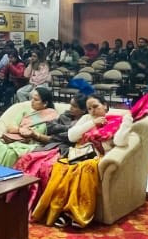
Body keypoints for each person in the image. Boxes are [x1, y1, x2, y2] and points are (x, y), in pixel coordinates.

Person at [32, 96, 133, 228]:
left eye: (95, 106)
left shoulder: (115, 120)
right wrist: (93, 123)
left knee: (84, 169)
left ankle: (76, 213)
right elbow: (71, 136)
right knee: (61, 168)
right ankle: (60, 211)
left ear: (105, 105)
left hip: (96, 157)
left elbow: (120, 142)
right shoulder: (86, 119)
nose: (92, 111)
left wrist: (127, 121)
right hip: (78, 153)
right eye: (89, 108)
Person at [0, 87, 58, 168]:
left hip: (34, 144)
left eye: (36, 100)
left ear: (45, 103)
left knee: (10, 153)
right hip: (17, 139)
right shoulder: (27, 113)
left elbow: (52, 139)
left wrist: (34, 134)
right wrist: (21, 130)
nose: (32, 101)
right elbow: (10, 127)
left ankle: (2, 174)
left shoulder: (52, 117)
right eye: (32, 98)